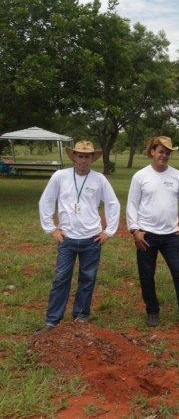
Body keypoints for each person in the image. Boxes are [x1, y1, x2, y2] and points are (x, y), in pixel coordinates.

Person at [37, 141, 120, 333]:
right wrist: (51, 229)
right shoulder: (60, 176)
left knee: (87, 278)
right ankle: (52, 321)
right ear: (73, 156)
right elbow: (46, 200)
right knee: (61, 278)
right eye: (80, 156)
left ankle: (80, 318)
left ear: (92, 158)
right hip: (66, 238)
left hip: (92, 239)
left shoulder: (99, 179)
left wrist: (109, 231)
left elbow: (113, 204)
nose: (83, 160)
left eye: (87, 156)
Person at [126, 136, 179, 333]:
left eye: (167, 152)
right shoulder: (140, 176)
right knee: (146, 275)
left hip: (171, 235)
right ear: (152, 152)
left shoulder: (177, 176)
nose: (164, 155)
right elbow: (132, 204)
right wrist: (135, 230)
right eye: (161, 151)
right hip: (146, 234)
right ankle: (152, 311)